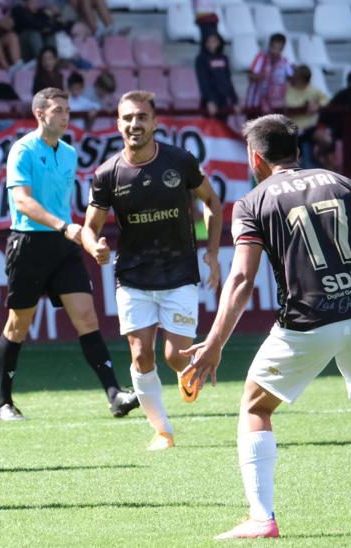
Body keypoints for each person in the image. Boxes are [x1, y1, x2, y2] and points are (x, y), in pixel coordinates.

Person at [181, 114, 351, 540]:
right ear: (297, 151)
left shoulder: (253, 202)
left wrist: (215, 342)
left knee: (256, 407)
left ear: (254, 156)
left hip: (310, 320)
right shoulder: (341, 182)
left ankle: (262, 518)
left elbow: (240, 279)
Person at [80, 90, 223, 451]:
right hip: (133, 277)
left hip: (179, 273)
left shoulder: (179, 161)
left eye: (141, 117)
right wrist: (93, 245)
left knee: (176, 358)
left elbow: (212, 201)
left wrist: (212, 253)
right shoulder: (108, 174)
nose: (134, 124)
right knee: (141, 354)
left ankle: (183, 376)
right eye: (127, 118)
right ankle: (163, 431)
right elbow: (88, 227)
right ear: (117, 124)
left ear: (155, 123)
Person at [0, 87, 138, 422]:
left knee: (87, 318)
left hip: (64, 245)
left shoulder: (70, 153)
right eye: (58, 110)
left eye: (67, 110)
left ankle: (114, 394)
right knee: (18, 325)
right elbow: (22, 202)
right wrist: (64, 227)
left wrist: (90, 241)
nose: (65, 116)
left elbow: (70, 206)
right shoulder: (22, 150)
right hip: (29, 244)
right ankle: (3, 403)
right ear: (39, 113)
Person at [284, 65, 330, 169]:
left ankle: (319, 158)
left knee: (325, 140)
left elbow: (326, 99)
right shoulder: (289, 89)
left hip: (310, 129)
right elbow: (289, 104)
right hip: (293, 131)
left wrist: (317, 105)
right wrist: (307, 105)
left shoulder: (313, 90)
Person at [245, 33, 292, 113]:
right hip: (256, 103)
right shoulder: (261, 57)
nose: (275, 51)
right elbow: (250, 75)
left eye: (279, 48)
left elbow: (291, 78)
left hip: (274, 105)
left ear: (283, 48)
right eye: (274, 47)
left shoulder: (284, 62)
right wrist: (262, 76)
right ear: (270, 45)